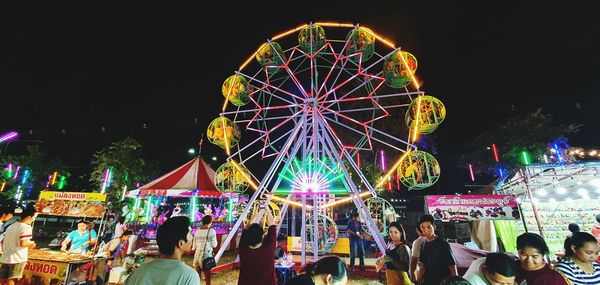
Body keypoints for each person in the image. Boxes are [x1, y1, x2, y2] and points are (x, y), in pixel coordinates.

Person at [125, 216, 200, 285]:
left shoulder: (138, 273)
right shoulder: (189, 276)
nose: (193, 238)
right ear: (180, 243)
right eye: (190, 234)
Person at [238, 208, 278, 285]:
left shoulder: (243, 249)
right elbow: (272, 225)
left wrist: (257, 214)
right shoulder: (268, 249)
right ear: (262, 236)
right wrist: (267, 208)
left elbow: (246, 228)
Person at [0, 204, 37, 285]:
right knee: (13, 279)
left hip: (6, 257)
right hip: (17, 258)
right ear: (30, 216)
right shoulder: (26, 227)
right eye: (34, 217)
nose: (34, 219)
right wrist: (31, 243)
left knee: (2, 279)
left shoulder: (11, 226)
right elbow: (23, 243)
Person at [416, 214, 457, 285]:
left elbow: (452, 266)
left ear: (434, 227)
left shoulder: (443, 244)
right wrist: (418, 281)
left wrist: (456, 282)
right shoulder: (423, 244)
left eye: (429, 227)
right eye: (423, 227)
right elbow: (423, 265)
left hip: (442, 282)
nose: (426, 230)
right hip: (428, 281)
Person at [192, 215, 218, 285]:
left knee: (197, 279)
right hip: (206, 257)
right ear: (210, 222)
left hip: (197, 257)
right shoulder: (211, 231)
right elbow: (215, 245)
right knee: (208, 281)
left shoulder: (197, 231)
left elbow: (194, 247)